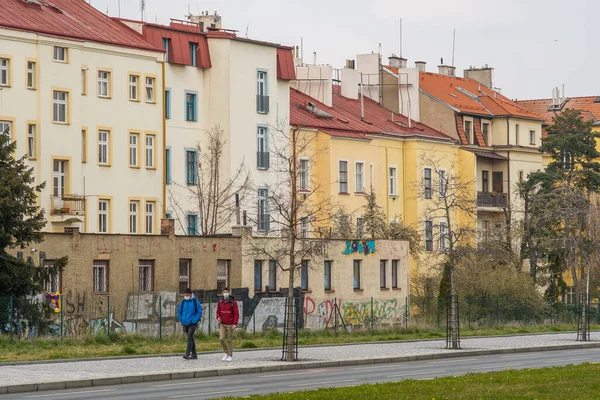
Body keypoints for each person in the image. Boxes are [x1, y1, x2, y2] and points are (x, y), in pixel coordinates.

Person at [177, 288, 203, 360]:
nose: (186, 295)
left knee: (189, 337)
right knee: (191, 338)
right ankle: (194, 355)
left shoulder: (195, 302)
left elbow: (199, 313)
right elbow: (179, 312)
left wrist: (194, 321)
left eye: (187, 294)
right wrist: (181, 320)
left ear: (191, 294)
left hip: (192, 323)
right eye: (185, 294)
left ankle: (187, 353)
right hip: (184, 323)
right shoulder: (183, 303)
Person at [216, 287, 239, 362]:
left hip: (230, 323)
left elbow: (236, 314)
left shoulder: (233, 302)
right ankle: (226, 352)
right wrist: (218, 317)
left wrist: (235, 323)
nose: (225, 293)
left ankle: (230, 355)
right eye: (224, 292)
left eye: (227, 292)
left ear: (229, 293)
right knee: (221, 339)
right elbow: (218, 312)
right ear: (222, 293)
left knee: (230, 340)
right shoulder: (220, 302)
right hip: (222, 323)